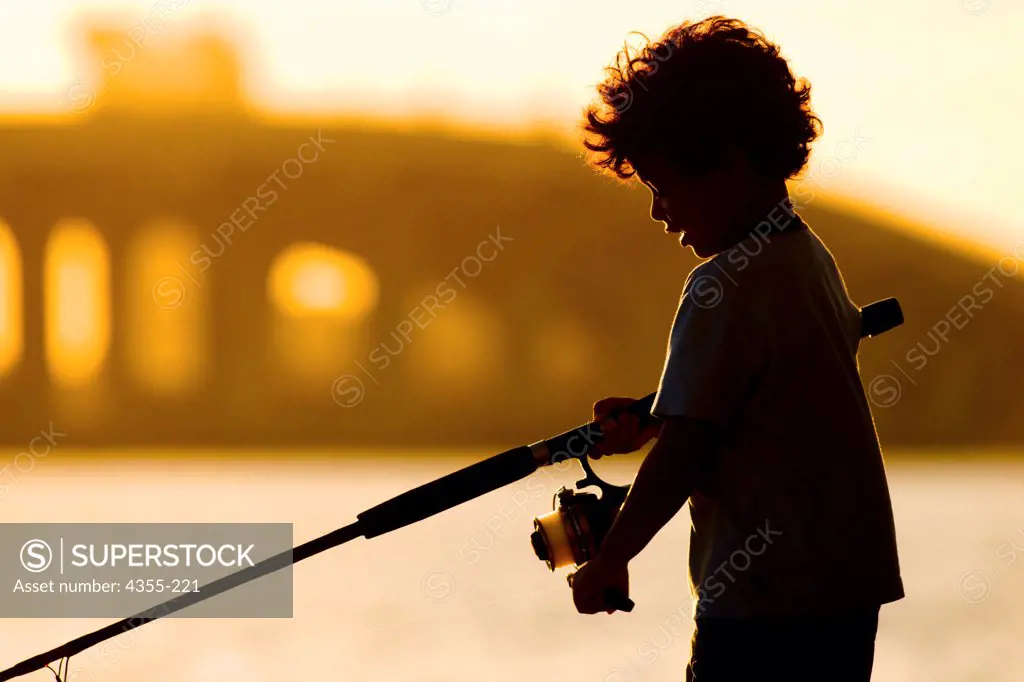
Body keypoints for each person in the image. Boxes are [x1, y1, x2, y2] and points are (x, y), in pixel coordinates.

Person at [569, 16, 904, 680]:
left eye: (665, 188)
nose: (660, 212)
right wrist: (657, 421)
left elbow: (687, 453)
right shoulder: (807, 260)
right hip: (842, 599)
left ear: (731, 158)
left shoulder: (718, 287)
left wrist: (611, 558)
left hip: (759, 610)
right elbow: (759, 407)